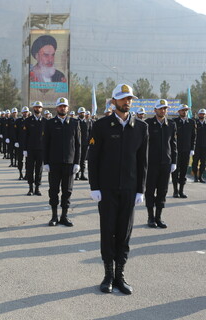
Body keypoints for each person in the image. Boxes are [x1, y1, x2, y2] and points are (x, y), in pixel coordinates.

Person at [88, 84, 148, 295]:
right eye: (123, 99)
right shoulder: (101, 125)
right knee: (108, 232)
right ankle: (108, 275)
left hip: (129, 190)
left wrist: (141, 189)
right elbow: (93, 158)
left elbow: (142, 162)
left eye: (129, 98)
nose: (127, 102)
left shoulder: (141, 127)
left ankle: (120, 275)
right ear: (113, 102)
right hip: (107, 190)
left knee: (124, 234)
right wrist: (94, 186)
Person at [43, 98, 81, 227]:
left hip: (69, 163)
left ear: (68, 108)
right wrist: (46, 162)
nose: (62, 108)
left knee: (67, 191)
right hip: (54, 163)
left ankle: (64, 216)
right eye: (60, 106)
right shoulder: (50, 123)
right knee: (53, 190)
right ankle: (54, 216)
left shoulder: (75, 123)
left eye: (64, 106)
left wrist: (77, 162)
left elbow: (78, 145)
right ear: (56, 108)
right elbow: (46, 144)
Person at [144, 99, 177, 229]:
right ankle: (150, 217)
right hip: (151, 164)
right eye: (161, 108)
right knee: (150, 191)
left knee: (162, 191)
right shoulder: (148, 124)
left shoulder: (171, 124)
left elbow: (173, 144)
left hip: (165, 164)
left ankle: (159, 217)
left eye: (165, 108)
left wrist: (173, 161)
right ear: (155, 110)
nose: (163, 111)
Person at [21, 101, 47, 196]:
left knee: (39, 169)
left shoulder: (45, 121)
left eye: (39, 107)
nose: (38, 109)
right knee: (30, 169)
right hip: (30, 149)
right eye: (36, 107)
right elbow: (25, 136)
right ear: (33, 108)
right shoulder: (28, 121)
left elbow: (47, 137)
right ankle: (30, 188)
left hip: (41, 149)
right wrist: (24, 149)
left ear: (42, 109)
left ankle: (37, 188)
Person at [172, 104, 196, 198]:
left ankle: (181, 191)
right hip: (176, 151)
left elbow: (193, 136)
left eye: (186, 110)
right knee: (175, 171)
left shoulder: (191, 122)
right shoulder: (174, 122)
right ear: (179, 112)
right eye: (183, 110)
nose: (184, 112)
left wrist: (192, 149)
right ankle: (175, 191)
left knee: (183, 171)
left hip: (186, 151)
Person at [77, 107, 92, 180]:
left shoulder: (88, 122)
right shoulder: (75, 122)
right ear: (78, 113)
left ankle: (82, 174)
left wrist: (90, 143)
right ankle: (77, 175)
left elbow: (91, 133)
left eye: (83, 112)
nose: (82, 114)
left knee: (83, 160)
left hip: (85, 144)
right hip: (77, 143)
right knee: (77, 159)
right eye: (81, 112)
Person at [192, 108, 206, 182]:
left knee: (203, 162)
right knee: (195, 162)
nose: (202, 115)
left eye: (203, 114)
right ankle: (195, 176)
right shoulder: (195, 123)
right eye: (200, 114)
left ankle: (200, 176)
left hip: (204, 147)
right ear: (198, 114)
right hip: (196, 146)